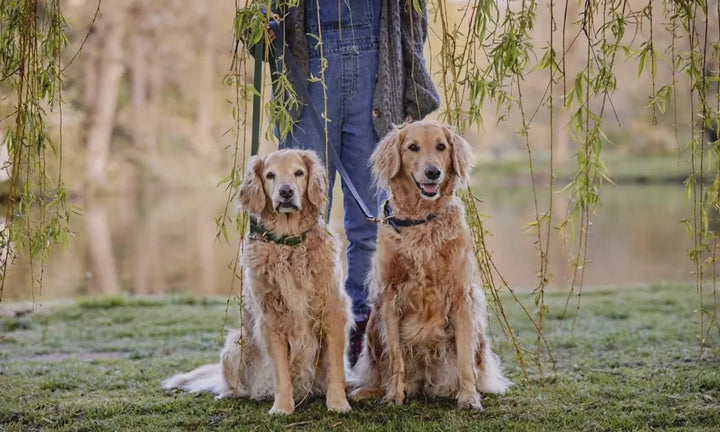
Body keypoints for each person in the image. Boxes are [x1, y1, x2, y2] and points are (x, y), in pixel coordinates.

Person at [262, 0, 440, 366]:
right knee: (301, 220)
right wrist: (260, 28)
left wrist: (407, 87)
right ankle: (304, 334)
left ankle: (361, 335)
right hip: (307, 71)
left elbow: (412, 20)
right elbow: (262, 35)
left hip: (374, 75)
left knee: (369, 224)